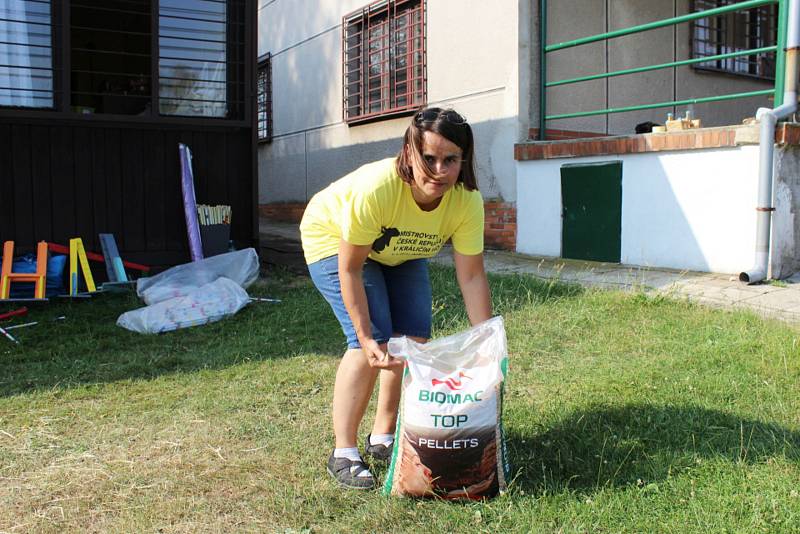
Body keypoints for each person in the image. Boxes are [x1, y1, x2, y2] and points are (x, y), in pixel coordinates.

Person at [299, 107, 492, 490]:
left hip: (399, 248)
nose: (438, 170)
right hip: (331, 237)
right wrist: (367, 335)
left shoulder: (466, 202)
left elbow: (471, 275)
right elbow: (350, 268)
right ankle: (344, 452)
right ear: (409, 152)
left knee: (412, 340)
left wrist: (486, 340)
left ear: (463, 161)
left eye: (450, 159)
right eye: (429, 158)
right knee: (369, 342)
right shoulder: (379, 188)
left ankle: (384, 438)